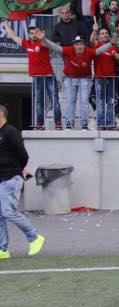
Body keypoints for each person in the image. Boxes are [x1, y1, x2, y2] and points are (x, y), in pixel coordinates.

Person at [0, 105, 44, 259]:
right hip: (2, 179)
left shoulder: (10, 132)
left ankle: (34, 237)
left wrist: (17, 171)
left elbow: (23, 155)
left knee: (8, 211)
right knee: (0, 214)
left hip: (11, 178)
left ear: (1, 114)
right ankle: (2, 249)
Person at [40, 34, 111, 130]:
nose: (79, 46)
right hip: (70, 78)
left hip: (85, 78)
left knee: (84, 102)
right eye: (77, 44)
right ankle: (69, 123)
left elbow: (99, 50)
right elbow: (56, 47)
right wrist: (44, 39)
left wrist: (111, 43)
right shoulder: (69, 50)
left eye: (81, 44)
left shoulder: (89, 51)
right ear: (73, 46)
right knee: (70, 101)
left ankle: (84, 124)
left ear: (84, 45)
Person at [2, 23, 61, 129]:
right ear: (29, 35)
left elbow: (47, 44)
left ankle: (58, 123)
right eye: (31, 33)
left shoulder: (42, 42)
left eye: (35, 33)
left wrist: (43, 38)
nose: (33, 35)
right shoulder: (27, 44)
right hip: (36, 77)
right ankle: (39, 124)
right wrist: (6, 25)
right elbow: (14, 37)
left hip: (48, 76)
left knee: (54, 99)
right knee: (38, 101)